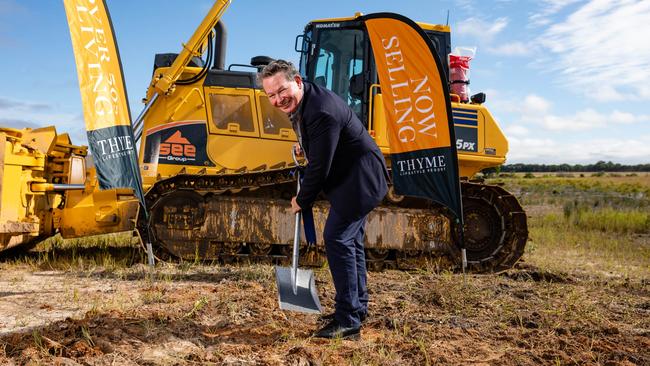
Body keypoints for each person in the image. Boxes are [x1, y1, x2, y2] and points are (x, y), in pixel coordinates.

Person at [259, 60, 388, 340]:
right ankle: (356, 308)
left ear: (298, 82)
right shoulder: (308, 101)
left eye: (282, 90)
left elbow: (319, 169)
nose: (278, 99)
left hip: (360, 179)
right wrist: (306, 144)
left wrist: (301, 200)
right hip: (355, 175)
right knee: (350, 242)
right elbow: (320, 141)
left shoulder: (321, 111)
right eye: (271, 95)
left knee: (337, 239)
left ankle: (348, 321)